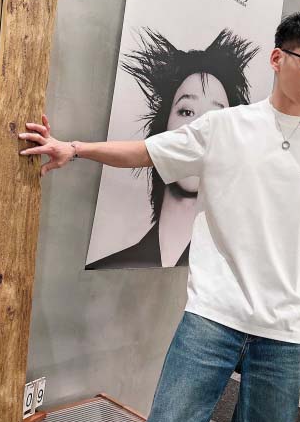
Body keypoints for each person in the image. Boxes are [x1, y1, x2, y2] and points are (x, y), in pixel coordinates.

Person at [19, 10, 300, 422]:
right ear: (277, 58)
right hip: (212, 316)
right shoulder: (225, 126)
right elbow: (146, 152)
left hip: (285, 331)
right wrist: (73, 149)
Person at [87, 27, 259, 269]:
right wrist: (74, 149)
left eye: (216, 118)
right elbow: (136, 153)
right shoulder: (111, 265)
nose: (199, 130)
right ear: (164, 126)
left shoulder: (235, 263)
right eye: (187, 112)